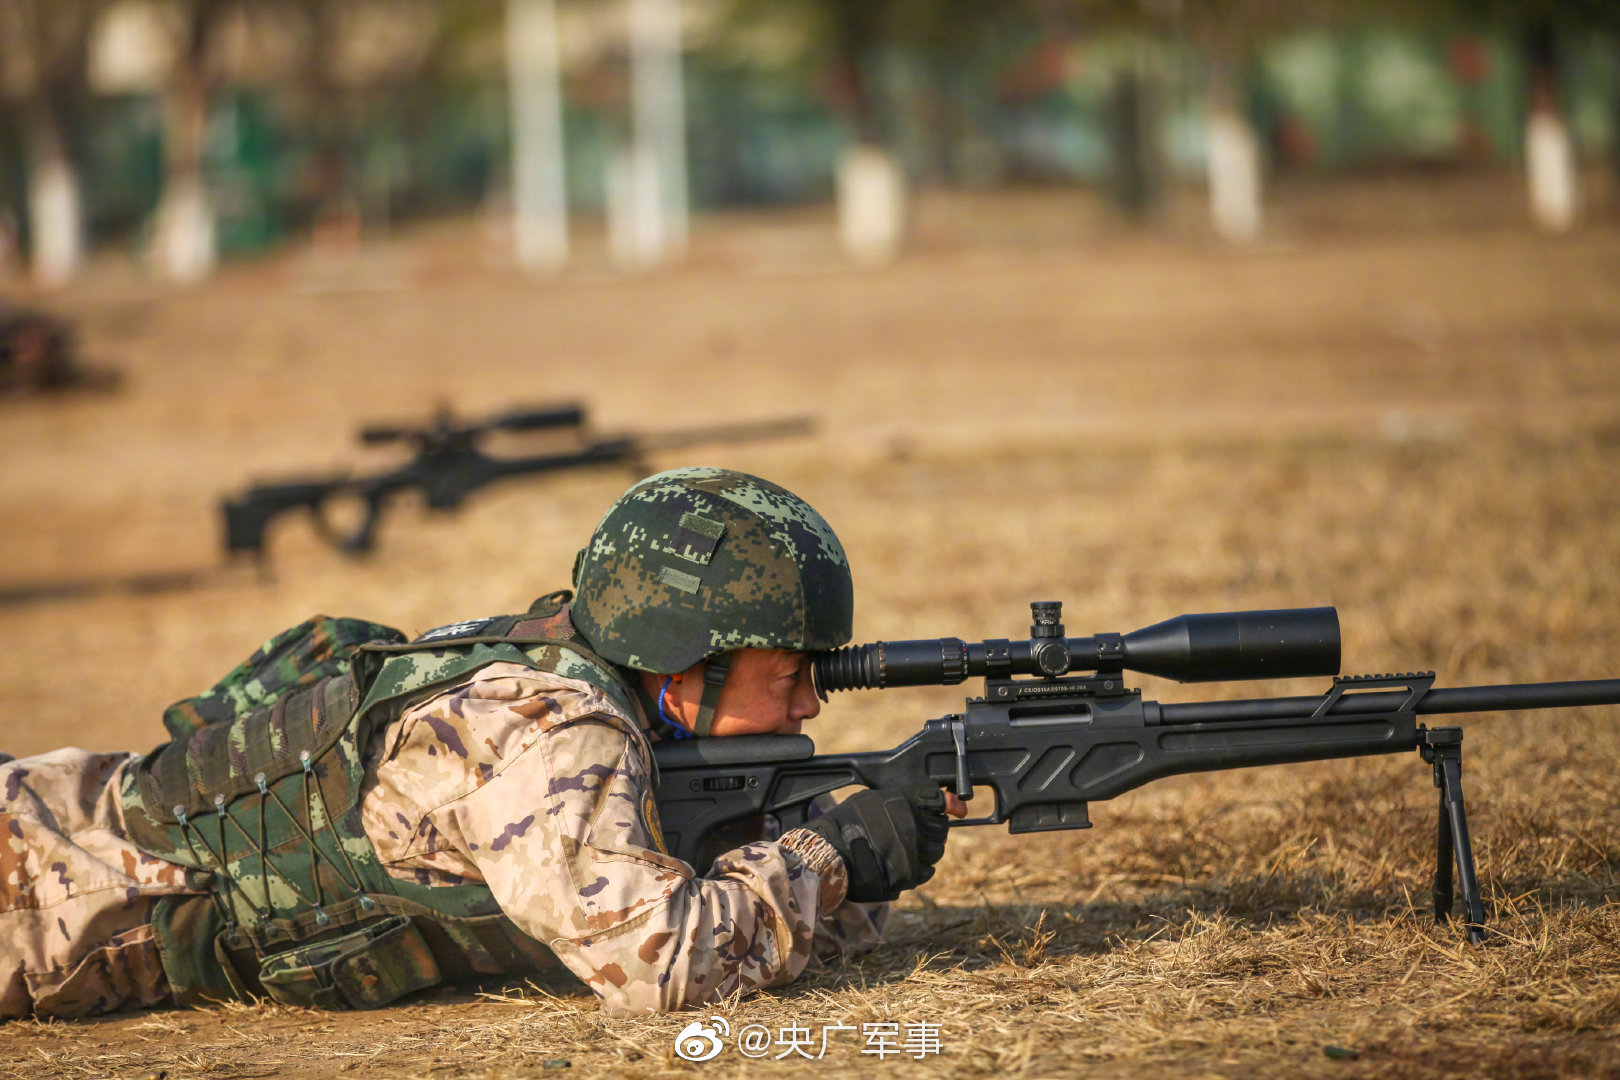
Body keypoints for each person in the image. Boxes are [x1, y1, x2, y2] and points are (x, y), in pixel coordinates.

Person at [1, 467, 959, 1020]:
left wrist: (862, 868)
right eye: (787, 675)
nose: (810, 706)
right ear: (682, 663)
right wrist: (828, 856)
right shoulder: (552, 732)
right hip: (48, 889)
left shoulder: (582, 667)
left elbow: (749, 929)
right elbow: (664, 966)